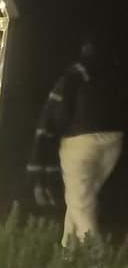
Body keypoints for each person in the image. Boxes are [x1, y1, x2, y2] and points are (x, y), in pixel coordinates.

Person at [37, 40, 123, 245]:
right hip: (113, 141)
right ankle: (68, 254)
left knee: (81, 205)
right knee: (79, 200)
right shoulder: (112, 74)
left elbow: (58, 115)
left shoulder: (74, 75)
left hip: (80, 142)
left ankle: (96, 267)